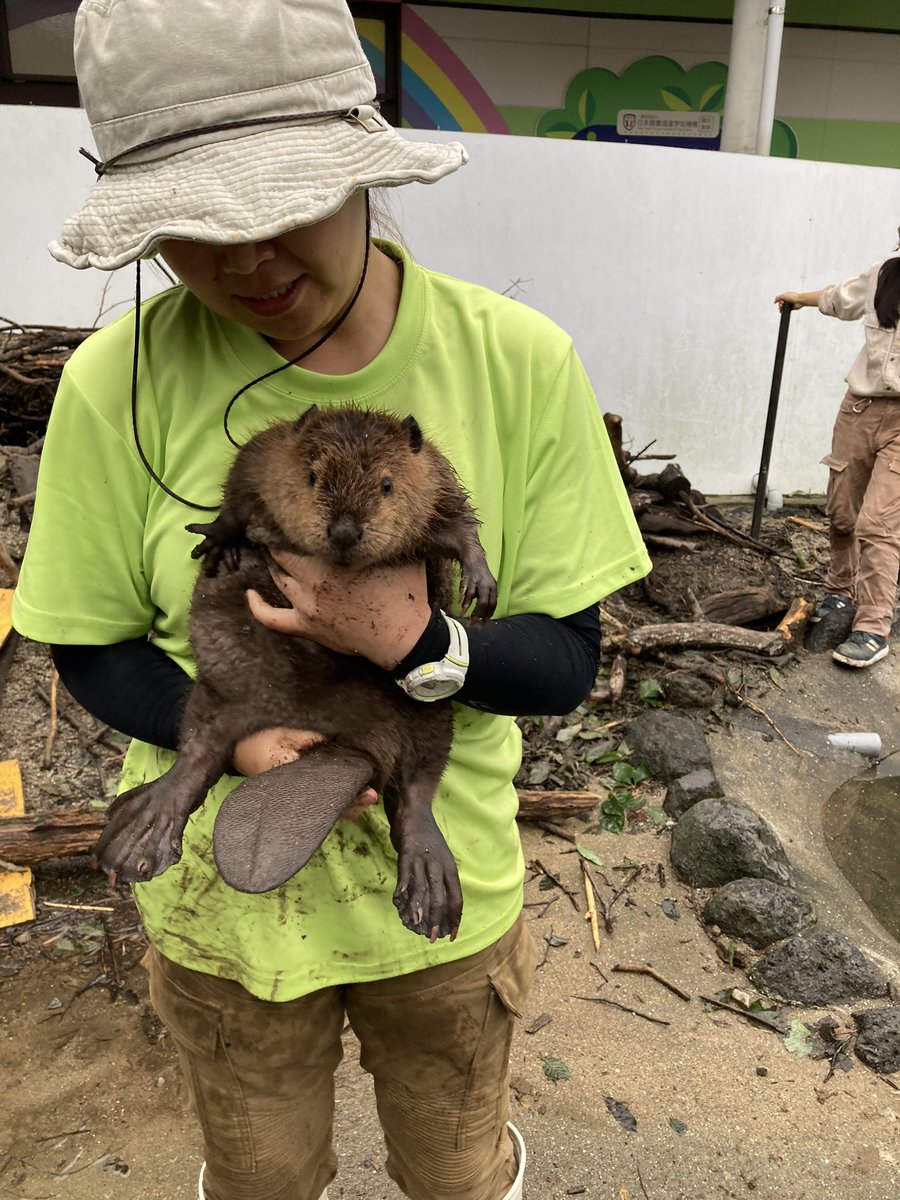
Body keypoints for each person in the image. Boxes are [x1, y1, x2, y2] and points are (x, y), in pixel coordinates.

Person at [12, 2, 651, 1199]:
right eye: (192, 223)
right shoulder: (116, 383)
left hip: (445, 893)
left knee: (452, 1170)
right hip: (224, 910)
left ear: (360, 162)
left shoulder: (517, 362)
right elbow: (89, 644)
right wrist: (237, 738)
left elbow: (566, 661)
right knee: (259, 1177)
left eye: (281, 204)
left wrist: (417, 640)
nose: (244, 258)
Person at [776, 237, 900, 669]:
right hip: (859, 408)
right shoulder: (885, 271)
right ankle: (839, 590)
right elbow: (840, 297)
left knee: (878, 523)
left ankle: (873, 625)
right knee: (842, 510)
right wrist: (799, 298)